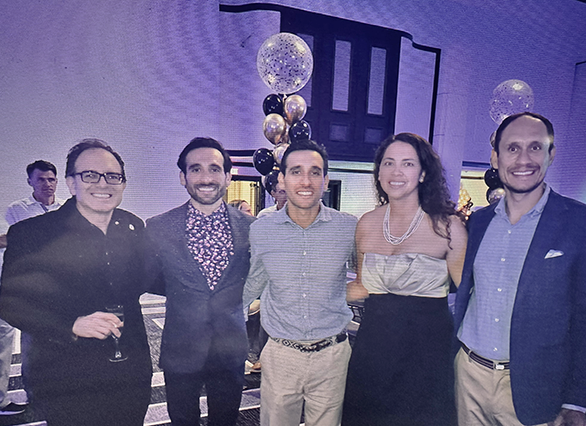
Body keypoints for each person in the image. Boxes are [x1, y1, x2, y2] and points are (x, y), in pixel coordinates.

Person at [0, 139, 152, 425]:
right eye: (90, 175)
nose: (103, 183)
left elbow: (149, 278)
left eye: (113, 176)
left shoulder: (132, 226)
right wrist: (70, 324)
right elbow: (10, 303)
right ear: (71, 183)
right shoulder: (32, 233)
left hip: (130, 374)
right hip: (67, 378)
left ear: (122, 184)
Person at [454, 112, 586, 426]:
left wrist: (576, 399)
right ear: (495, 158)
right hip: (469, 376)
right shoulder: (478, 222)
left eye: (535, 147)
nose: (523, 159)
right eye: (512, 148)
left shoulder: (578, 222)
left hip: (537, 387)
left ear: (551, 154)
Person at [342, 133, 467, 426]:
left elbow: (467, 300)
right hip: (373, 351)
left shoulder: (449, 228)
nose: (396, 172)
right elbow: (362, 286)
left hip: (427, 356)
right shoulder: (366, 223)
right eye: (389, 163)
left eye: (408, 163)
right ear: (379, 173)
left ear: (423, 173)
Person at [244, 139, 357, 426]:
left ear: (326, 180)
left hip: (332, 357)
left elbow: (371, 277)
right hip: (281, 356)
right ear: (282, 179)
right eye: (296, 171)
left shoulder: (348, 227)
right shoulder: (262, 229)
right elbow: (252, 284)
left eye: (314, 172)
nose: (306, 181)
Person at [145, 137, 255, 426]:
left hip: (230, 347)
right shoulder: (158, 226)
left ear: (228, 177)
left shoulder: (251, 227)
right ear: (183, 177)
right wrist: (184, 293)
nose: (206, 178)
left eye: (214, 169)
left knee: (226, 420)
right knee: (182, 420)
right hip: (181, 347)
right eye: (196, 169)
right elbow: (151, 278)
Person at [0, 160, 65, 416]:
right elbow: (6, 240)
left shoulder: (66, 208)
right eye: (41, 179)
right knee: (19, 343)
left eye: (51, 179)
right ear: (30, 182)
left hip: (57, 286)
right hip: (24, 287)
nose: (47, 184)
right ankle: (17, 399)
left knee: (52, 344)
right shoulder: (17, 209)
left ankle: (51, 395)